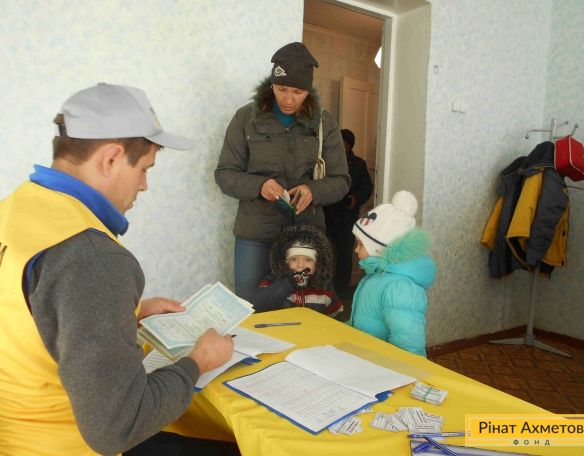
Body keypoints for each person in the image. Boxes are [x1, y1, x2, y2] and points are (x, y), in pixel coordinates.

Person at [0, 83, 236, 455]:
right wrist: (199, 360)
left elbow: (25, 314)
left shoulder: (15, 207)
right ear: (111, 158)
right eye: (144, 169)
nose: (144, 185)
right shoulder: (92, 256)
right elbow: (117, 428)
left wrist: (127, 312)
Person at [214, 42, 350, 302]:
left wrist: (313, 190)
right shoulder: (245, 118)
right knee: (250, 304)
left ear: (308, 90)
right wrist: (259, 186)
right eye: (281, 89)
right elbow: (224, 174)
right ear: (271, 85)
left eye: (298, 92)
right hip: (256, 232)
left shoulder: (325, 123)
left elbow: (342, 181)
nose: (288, 100)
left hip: (305, 237)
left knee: (304, 306)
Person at [347, 191, 436, 357]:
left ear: (378, 249)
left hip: (382, 365)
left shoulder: (400, 288)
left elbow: (408, 345)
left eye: (360, 244)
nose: (356, 249)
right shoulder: (376, 276)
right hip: (365, 359)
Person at [248, 224, 343, 319]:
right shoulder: (273, 282)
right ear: (284, 262)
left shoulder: (324, 288)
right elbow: (256, 304)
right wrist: (287, 284)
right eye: (294, 259)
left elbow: (336, 318)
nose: (300, 265)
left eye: (308, 260)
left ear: (318, 263)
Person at [324, 128, 373, 294]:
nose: (342, 147)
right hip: (327, 215)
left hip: (347, 217)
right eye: (339, 144)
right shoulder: (326, 162)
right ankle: (325, 289)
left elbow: (367, 187)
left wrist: (356, 199)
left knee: (345, 255)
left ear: (350, 146)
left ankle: (341, 290)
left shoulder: (359, 164)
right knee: (326, 253)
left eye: (345, 144)